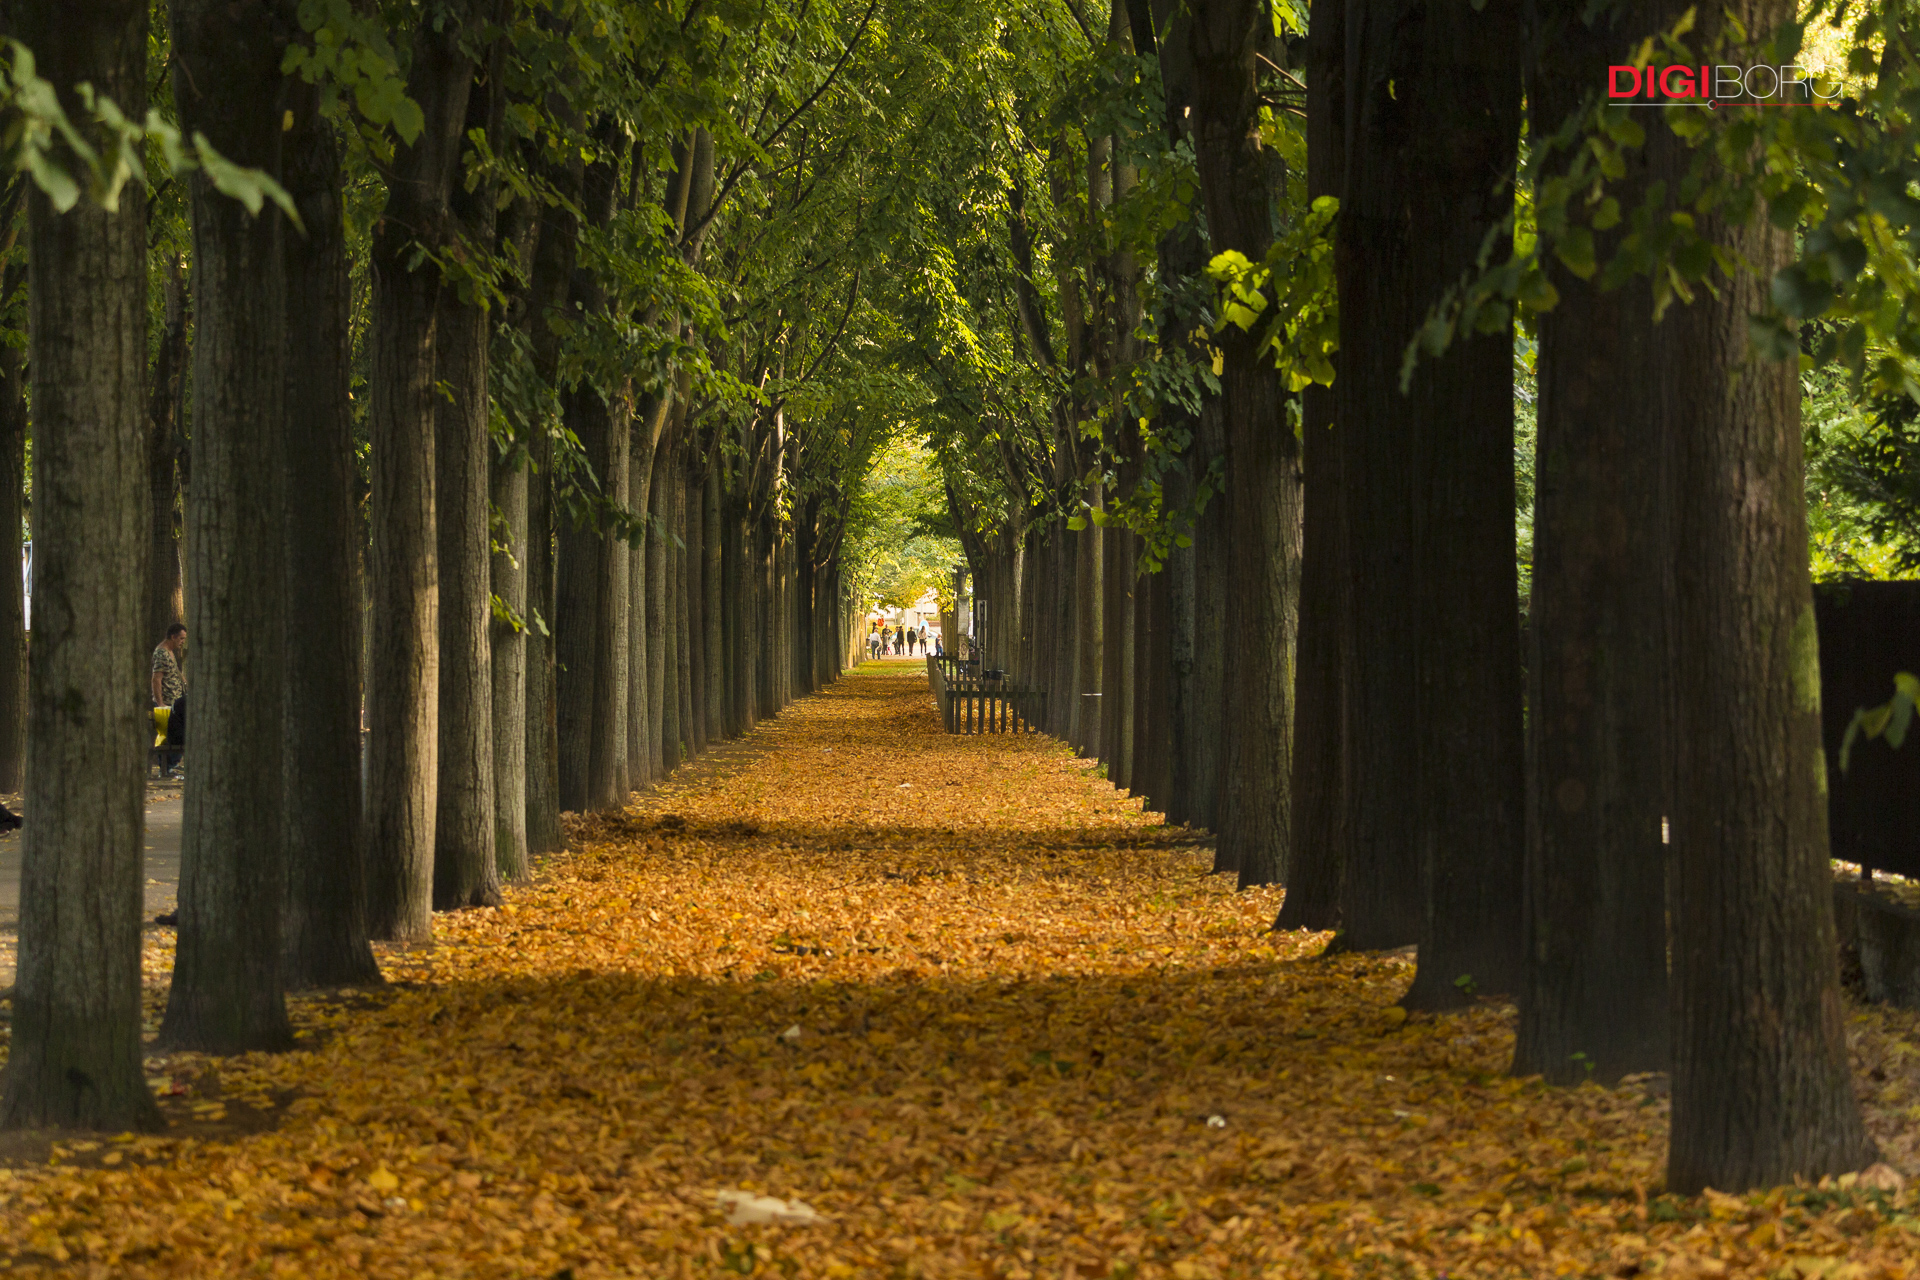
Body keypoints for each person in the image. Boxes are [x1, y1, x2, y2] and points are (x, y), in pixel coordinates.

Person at [151, 623, 186, 776]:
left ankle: (172, 765)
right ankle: (166, 767)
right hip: (166, 702)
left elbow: (174, 673)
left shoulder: (171, 652)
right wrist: (160, 703)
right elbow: (156, 679)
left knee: (178, 734)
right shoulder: (162, 653)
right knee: (168, 736)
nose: (183, 642)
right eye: (181, 638)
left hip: (176, 702)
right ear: (173, 637)